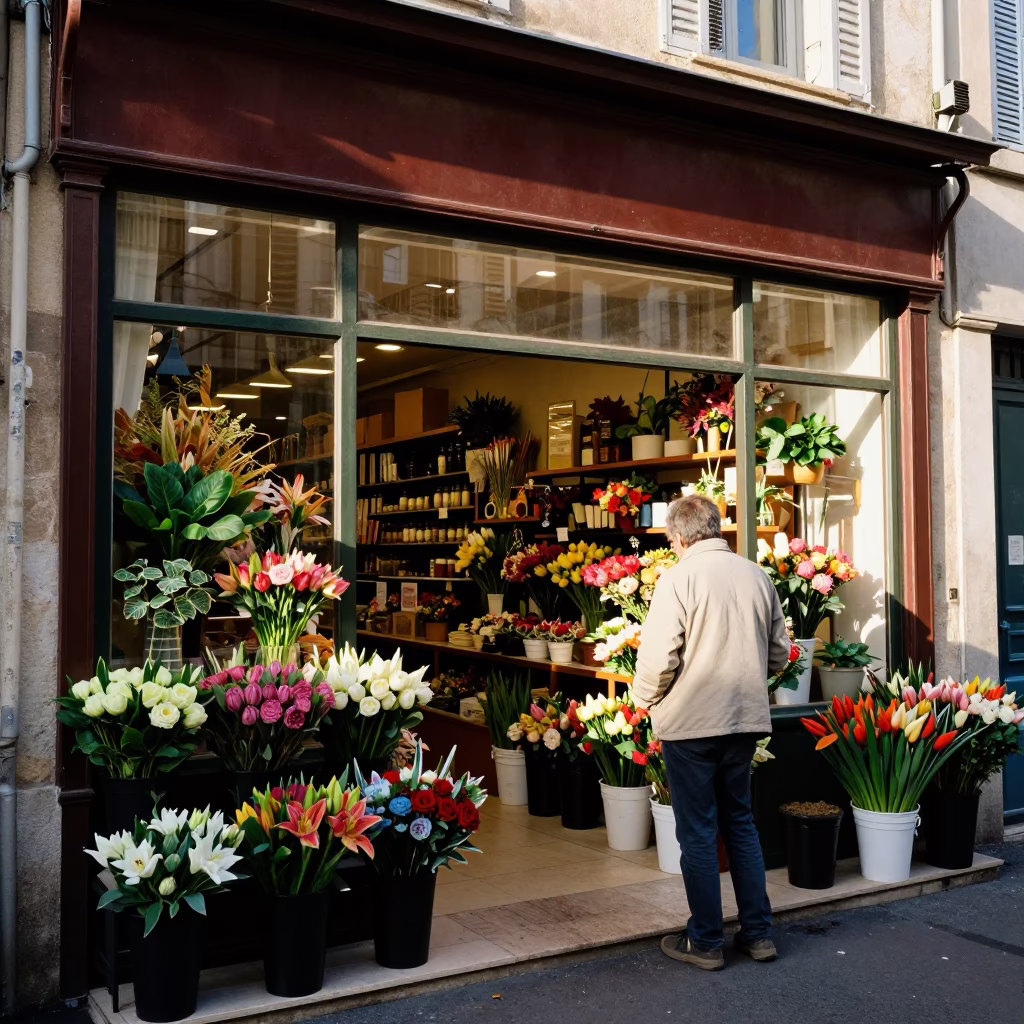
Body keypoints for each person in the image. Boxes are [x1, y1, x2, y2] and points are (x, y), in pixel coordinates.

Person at [632, 494, 790, 971]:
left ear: (678, 537)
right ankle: (758, 934)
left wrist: (643, 700)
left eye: (669, 540)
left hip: (691, 725)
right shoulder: (756, 575)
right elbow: (780, 653)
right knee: (740, 824)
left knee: (698, 833)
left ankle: (704, 942)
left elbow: (659, 659)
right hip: (744, 720)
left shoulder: (677, 579)